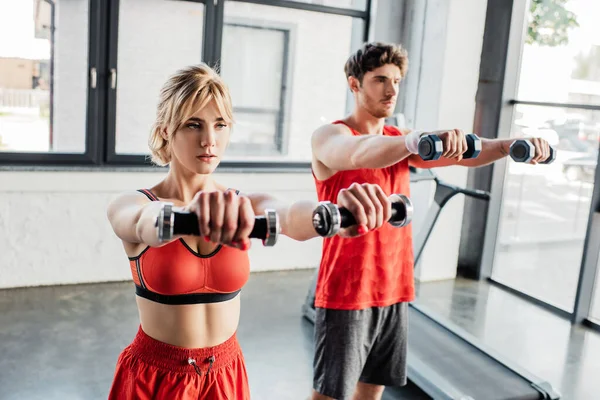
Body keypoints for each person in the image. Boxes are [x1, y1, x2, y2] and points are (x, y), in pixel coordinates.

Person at [106, 64, 394, 400]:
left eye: (220, 125)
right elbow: (143, 221)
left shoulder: (242, 203)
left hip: (226, 373)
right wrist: (188, 214)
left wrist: (334, 215)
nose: (209, 140)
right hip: (156, 377)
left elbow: (289, 215)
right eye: (193, 125)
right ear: (166, 130)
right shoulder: (135, 203)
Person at [309, 42, 552, 400]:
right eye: (379, 80)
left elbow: (464, 154)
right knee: (331, 396)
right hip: (347, 291)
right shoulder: (330, 136)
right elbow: (356, 152)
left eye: (396, 80)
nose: (391, 90)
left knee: (372, 391)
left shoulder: (396, 141)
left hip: (393, 288)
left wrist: (505, 145)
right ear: (354, 84)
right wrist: (414, 140)